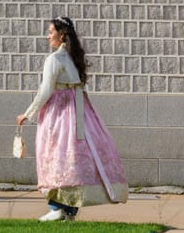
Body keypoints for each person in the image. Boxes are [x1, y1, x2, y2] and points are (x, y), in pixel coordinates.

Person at [17, 17, 128, 222]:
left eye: (50, 32)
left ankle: (58, 207)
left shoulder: (55, 59)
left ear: (62, 35)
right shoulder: (72, 58)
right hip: (78, 113)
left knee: (57, 155)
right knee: (73, 157)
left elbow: (46, 90)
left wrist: (28, 113)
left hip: (60, 114)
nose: (47, 36)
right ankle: (68, 210)